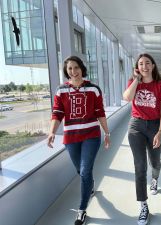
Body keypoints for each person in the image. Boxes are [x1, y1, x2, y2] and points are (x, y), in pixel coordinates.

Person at [47, 56, 110, 225]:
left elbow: (100, 112)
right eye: (69, 69)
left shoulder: (93, 89)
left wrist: (107, 133)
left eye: (76, 67)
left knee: (84, 171)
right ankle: (90, 184)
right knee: (82, 172)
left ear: (82, 68)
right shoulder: (61, 91)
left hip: (91, 135)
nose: (73, 72)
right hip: (71, 137)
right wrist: (52, 132)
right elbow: (57, 114)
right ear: (66, 72)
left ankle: (81, 210)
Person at [123, 53, 161, 225]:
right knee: (140, 165)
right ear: (138, 67)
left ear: (152, 66)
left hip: (155, 126)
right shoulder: (133, 83)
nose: (144, 66)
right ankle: (143, 206)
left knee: (155, 162)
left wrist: (160, 131)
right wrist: (136, 79)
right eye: (141, 64)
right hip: (136, 126)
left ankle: (155, 179)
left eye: (147, 63)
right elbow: (127, 97)